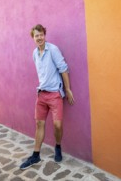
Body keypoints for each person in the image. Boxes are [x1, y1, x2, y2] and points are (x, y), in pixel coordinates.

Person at [20, 24, 74, 170]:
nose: (39, 37)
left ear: (45, 35)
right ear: (33, 38)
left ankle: (57, 146)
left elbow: (63, 68)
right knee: (39, 124)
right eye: (36, 35)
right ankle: (35, 155)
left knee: (57, 125)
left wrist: (67, 89)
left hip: (55, 94)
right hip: (41, 94)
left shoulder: (53, 49)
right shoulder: (34, 53)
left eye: (41, 34)